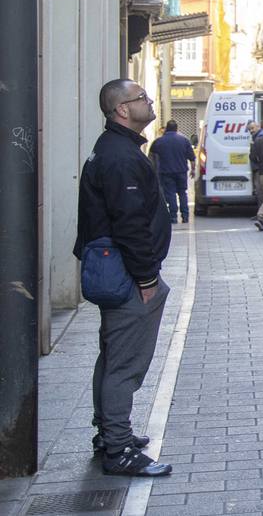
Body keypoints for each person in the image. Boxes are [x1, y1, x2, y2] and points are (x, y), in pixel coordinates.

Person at [73, 80, 173, 477]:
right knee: (124, 365)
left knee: (113, 355)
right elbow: (129, 223)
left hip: (117, 272)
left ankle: (108, 434)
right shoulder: (121, 158)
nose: (149, 102)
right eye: (141, 98)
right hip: (129, 277)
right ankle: (118, 449)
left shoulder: (114, 149)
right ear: (121, 110)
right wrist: (147, 279)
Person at [148, 120, 195, 224]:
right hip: (181, 172)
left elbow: (150, 157)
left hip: (166, 172)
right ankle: (185, 216)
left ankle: (173, 217)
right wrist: (193, 170)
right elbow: (192, 157)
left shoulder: (159, 141)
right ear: (176, 128)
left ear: (166, 129)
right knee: (183, 193)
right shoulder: (184, 140)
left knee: (171, 194)